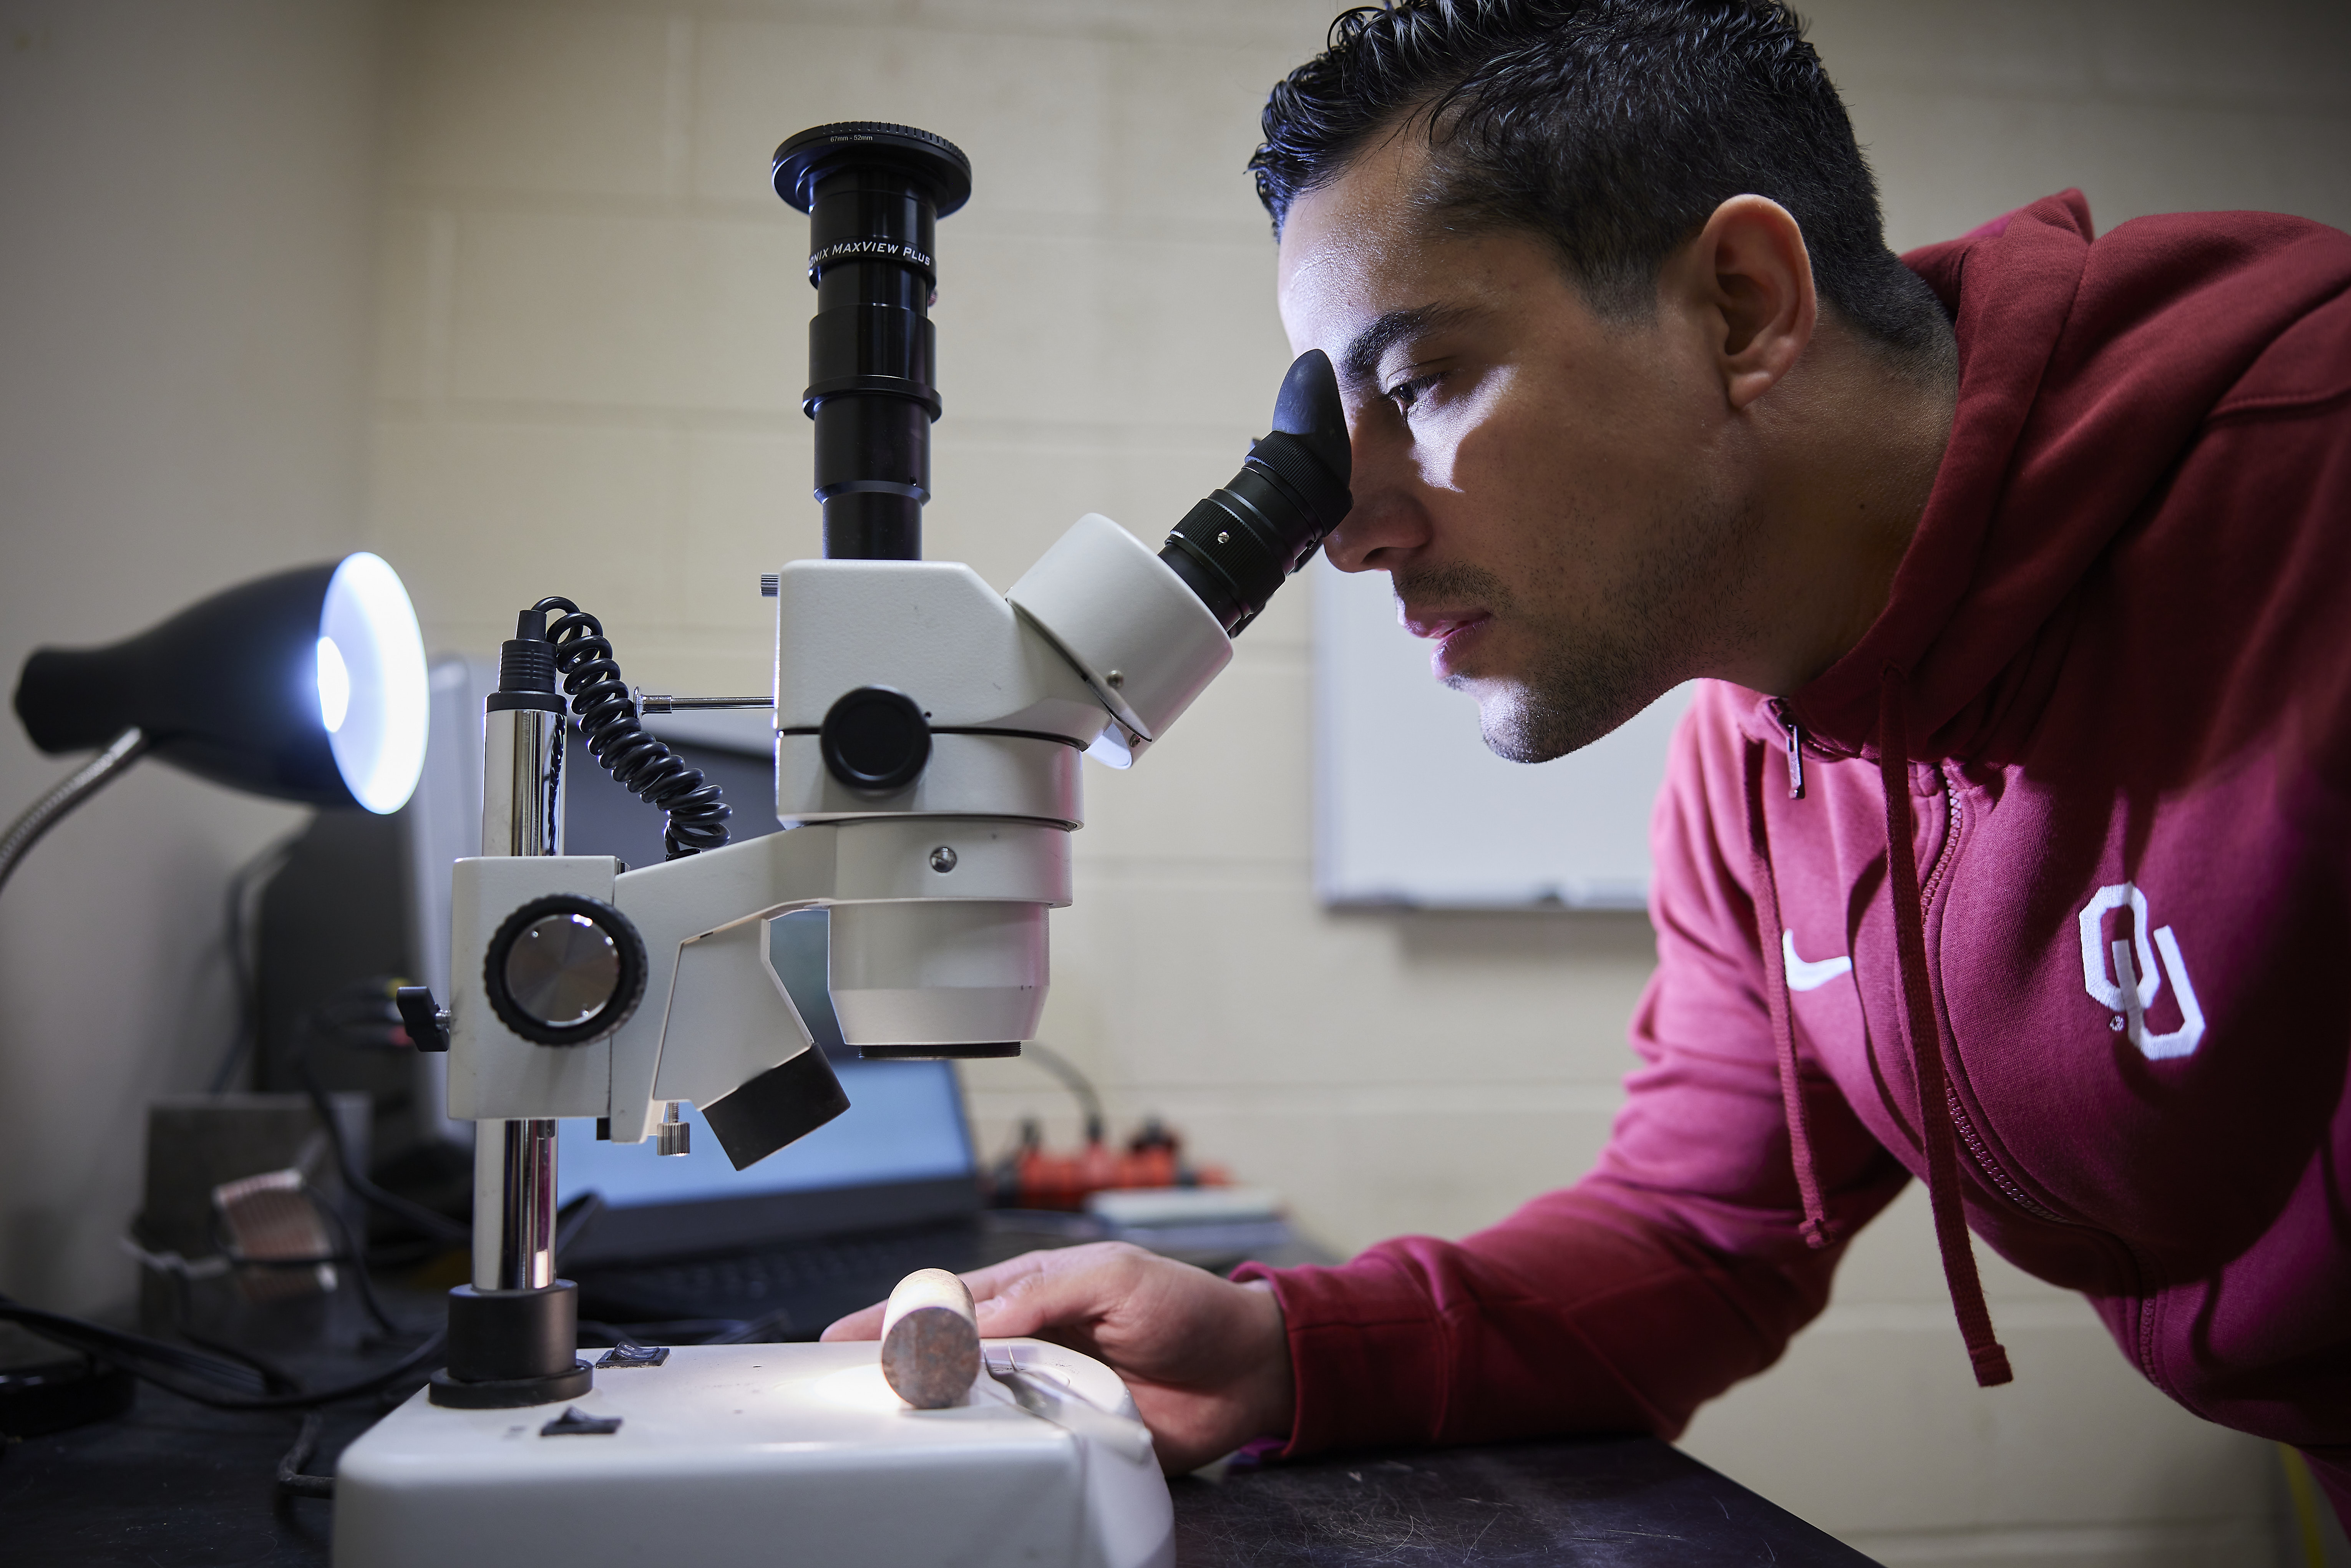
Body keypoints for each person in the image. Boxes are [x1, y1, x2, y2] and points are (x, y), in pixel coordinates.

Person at [826, 0, 2351, 1520]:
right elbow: (1701, 1231)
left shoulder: (2310, 494)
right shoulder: (1759, 765)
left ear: (1743, 304)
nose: (1350, 532)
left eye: (1418, 385)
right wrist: (1280, 1343)